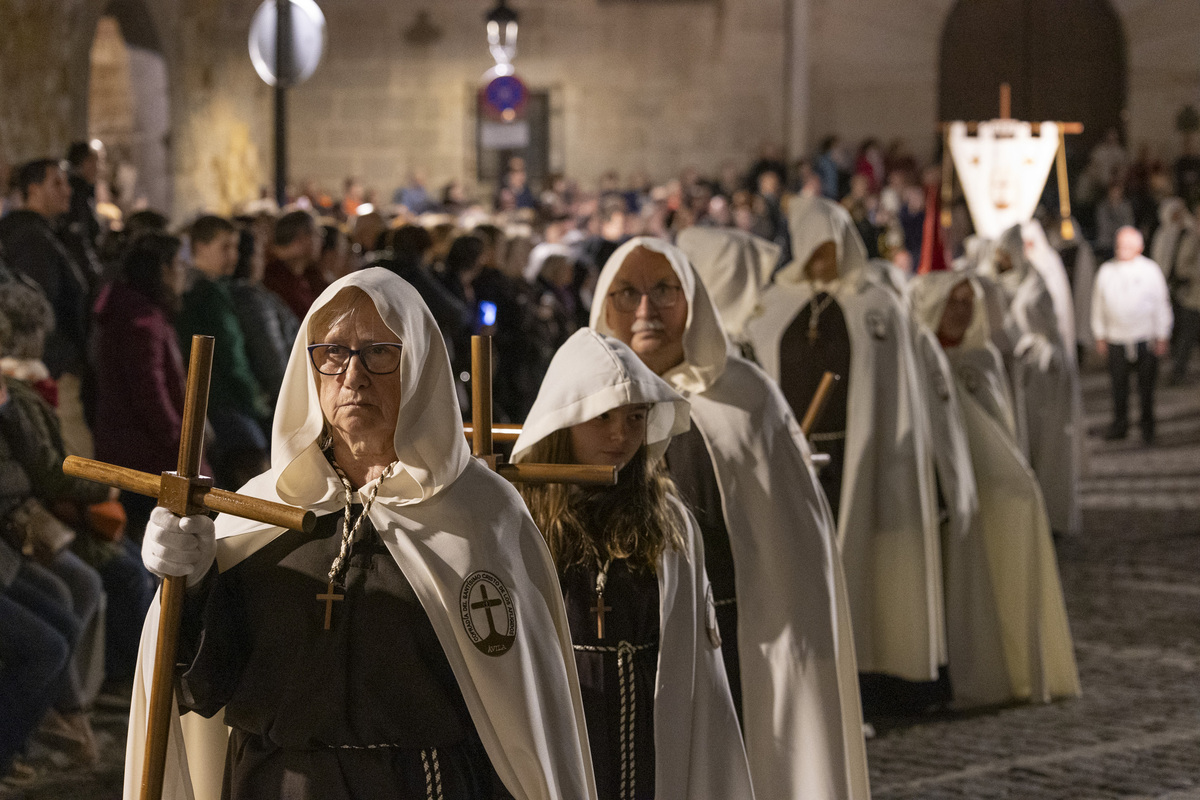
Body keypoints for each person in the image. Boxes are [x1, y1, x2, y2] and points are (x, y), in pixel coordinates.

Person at [127, 268, 598, 800]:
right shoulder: (257, 510)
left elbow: (522, 711)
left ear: (417, 361)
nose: (353, 376)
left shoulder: (481, 513)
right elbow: (203, 681)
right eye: (332, 353)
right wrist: (187, 588)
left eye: (379, 352)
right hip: (278, 785)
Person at [591, 236, 870, 799]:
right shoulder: (581, 408)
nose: (645, 309)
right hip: (625, 654)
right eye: (627, 293)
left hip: (741, 645)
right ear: (603, 306)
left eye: (664, 290)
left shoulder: (746, 397)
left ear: (693, 299)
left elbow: (794, 553)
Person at [512, 328, 753, 800]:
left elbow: (692, 652)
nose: (620, 434)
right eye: (602, 417)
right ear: (564, 421)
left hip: (652, 723)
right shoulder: (524, 517)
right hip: (567, 714)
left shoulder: (669, 518)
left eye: (635, 417)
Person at [743, 196, 944, 706]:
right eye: (816, 249)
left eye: (832, 248)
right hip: (794, 458)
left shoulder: (876, 305)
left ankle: (871, 669)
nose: (824, 260)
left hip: (863, 456)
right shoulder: (772, 307)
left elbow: (900, 391)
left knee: (863, 564)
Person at [910, 271, 1081, 705]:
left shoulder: (982, 360)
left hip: (994, 497)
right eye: (953, 301)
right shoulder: (914, 363)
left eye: (969, 301)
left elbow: (1006, 431)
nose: (963, 310)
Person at [92, 232, 194, 537]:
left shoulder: (133, 311)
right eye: (178, 264)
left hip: (132, 445)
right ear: (162, 270)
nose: (183, 272)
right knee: (157, 537)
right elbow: (150, 391)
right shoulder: (142, 321)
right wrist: (179, 439)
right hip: (143, 452)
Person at [986, 226, 1081, 533]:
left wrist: (1035, 345)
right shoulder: (1001, 283)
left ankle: (1053, 514)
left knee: (1048, 445)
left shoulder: (1036, 284)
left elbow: (1048, 328)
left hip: (1043, 373)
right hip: (1019, 375)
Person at [0, 159, 93, 458]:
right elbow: (38, 310)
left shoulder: (44, 233)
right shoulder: (31, 239)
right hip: (53, 369)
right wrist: (61, 363)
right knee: (75, 457)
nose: (67, 190)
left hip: (52, 365)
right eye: (57, 183)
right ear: (33, 189)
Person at [176, 215, 271, 489]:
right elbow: (231, 356)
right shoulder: (209, 294)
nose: (233, 256)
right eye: (225, 247)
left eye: (236, 248)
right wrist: (256, 402)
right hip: (224, 403)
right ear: (200, 247)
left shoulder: (193, 288)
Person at [1092, 226, 1174, 443]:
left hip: (1144, 338)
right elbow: (1098, 305)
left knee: (1146, 387)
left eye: (1128, 245)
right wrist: (1100, 334)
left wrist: (1162, 334)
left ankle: (1148, 428)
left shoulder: (1150, 270)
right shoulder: (1106, 271)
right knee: (1119, 386)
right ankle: (1120, 424)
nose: (1123, 250)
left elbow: (1161, 304)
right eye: (1120, 245)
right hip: (1117, 338)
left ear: (1139, 247)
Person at [229, 227, 300, 405]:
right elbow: (270, 353)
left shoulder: (258, 295)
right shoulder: (251, 301)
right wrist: (288, 399)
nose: (263, 262)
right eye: (260, 255)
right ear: (249, 260)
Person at [263, 209, 326, 319]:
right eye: (317, 233)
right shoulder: (273, 278)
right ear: (301, 237)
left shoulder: (307, 275)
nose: (321, 240)